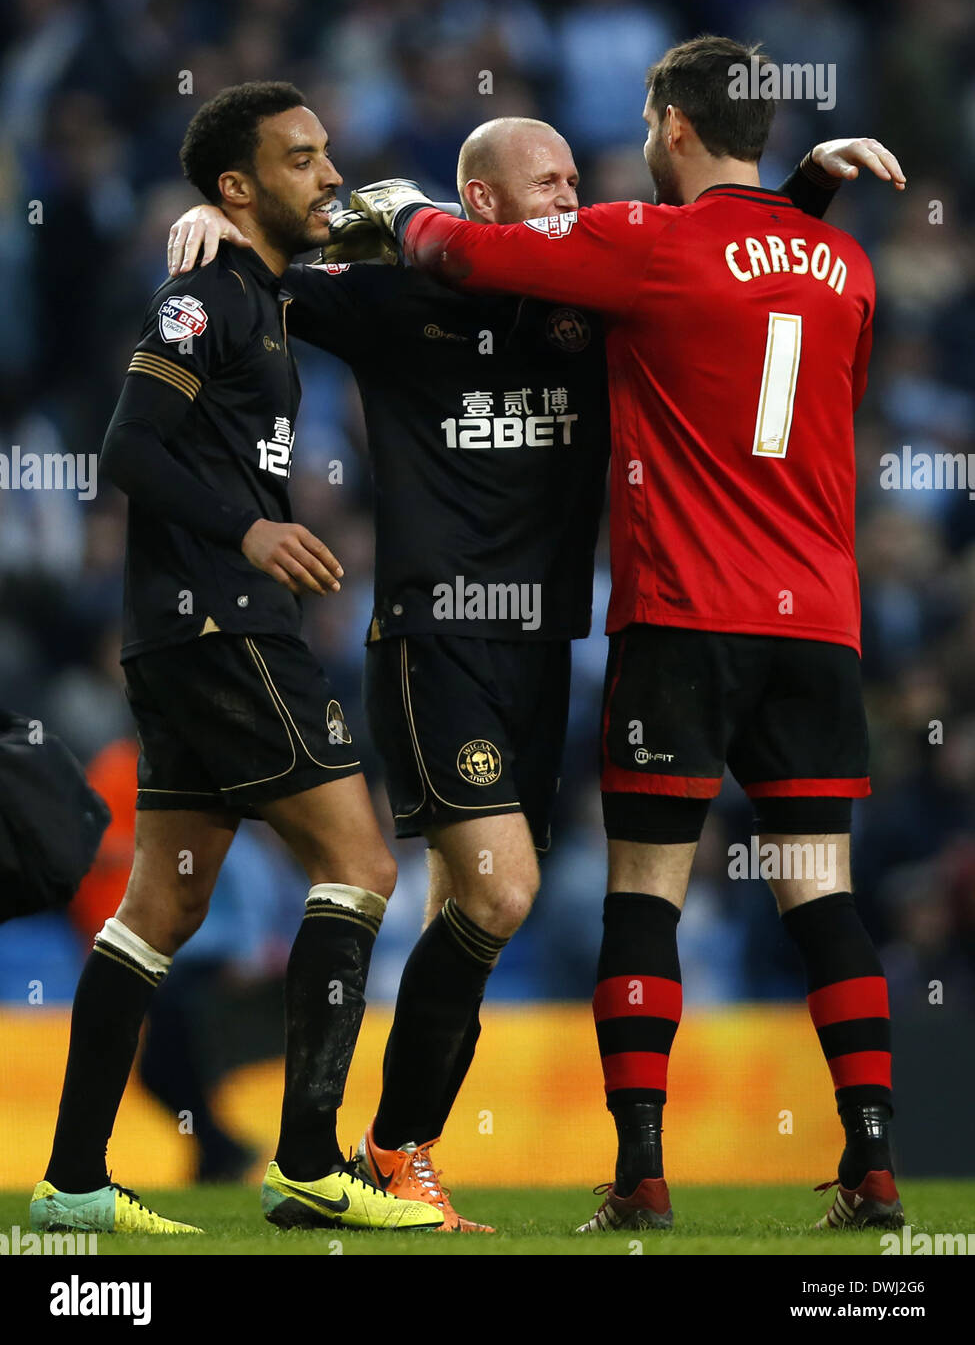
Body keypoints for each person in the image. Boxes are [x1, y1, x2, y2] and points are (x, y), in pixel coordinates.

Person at [170, 105, 900, 1229]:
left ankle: (386, 1149)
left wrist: (800, 191)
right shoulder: (387, 298)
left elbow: (728, 279)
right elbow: (257, 282)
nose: (575, 197)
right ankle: (364, 1146)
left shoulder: (597, 303)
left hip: (547, 648)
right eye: (549, 182)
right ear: (484, 204)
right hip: (434, 635)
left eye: (574, 179)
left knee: (477, 905)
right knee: (502, 889)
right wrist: (216, 228)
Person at [30, 81, 444, 1236]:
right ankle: (310, 1159)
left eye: (326, 153)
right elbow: (125, 447)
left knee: (156, 907)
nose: (326, 173)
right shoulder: (207, 296)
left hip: (188, 629)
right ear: (234, 186)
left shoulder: (261, 286)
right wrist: (250, 528)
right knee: (359, 863)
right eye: (300, 158)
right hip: (220, 620)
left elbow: (379, 214)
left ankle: (69, 1184)